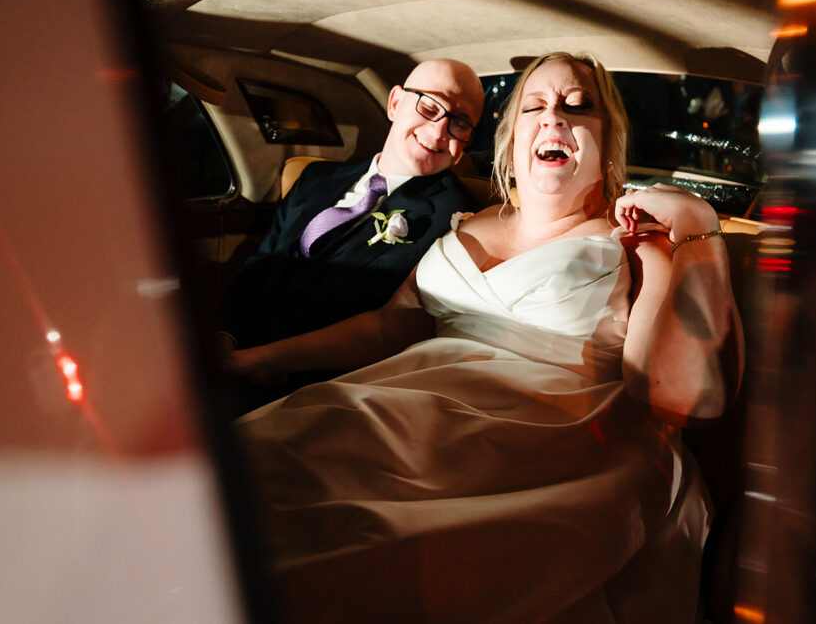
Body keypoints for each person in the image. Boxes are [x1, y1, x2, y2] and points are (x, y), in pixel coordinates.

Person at [231, 52, 744, 622]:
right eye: (535, 105)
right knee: (244, 474)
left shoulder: (635, 243)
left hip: (541, 443)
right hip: (390, 409)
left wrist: (701, 229)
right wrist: (256, 361)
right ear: (513, 136)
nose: (554, 118)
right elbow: (390, 324)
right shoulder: (466, 222)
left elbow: (684, 398)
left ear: (607, 141)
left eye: (578, 107)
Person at [217, 58, 484, 356]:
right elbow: (261, 264)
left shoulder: (457, 219)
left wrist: (266, 362)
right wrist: (226, 336)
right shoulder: (314, 178)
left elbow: (396, 331)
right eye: (430, 107)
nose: (438, 133)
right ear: (395, 103)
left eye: (460, 123)